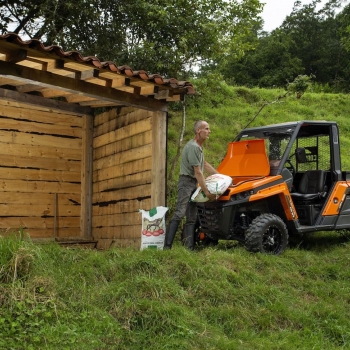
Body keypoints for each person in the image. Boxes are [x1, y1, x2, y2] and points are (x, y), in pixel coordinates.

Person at [164, 120, 218, 250]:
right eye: (206, 128)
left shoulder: (199, 147)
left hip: (193, 183)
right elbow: (198, 172)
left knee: (192, 217)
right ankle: (167, 247)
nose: (209, 131)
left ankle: (189, 248)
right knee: (179, 213)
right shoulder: (193, 147)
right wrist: (207, 192)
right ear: (198, 131)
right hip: (186, 182)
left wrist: (220, 176)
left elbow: (204, 164)